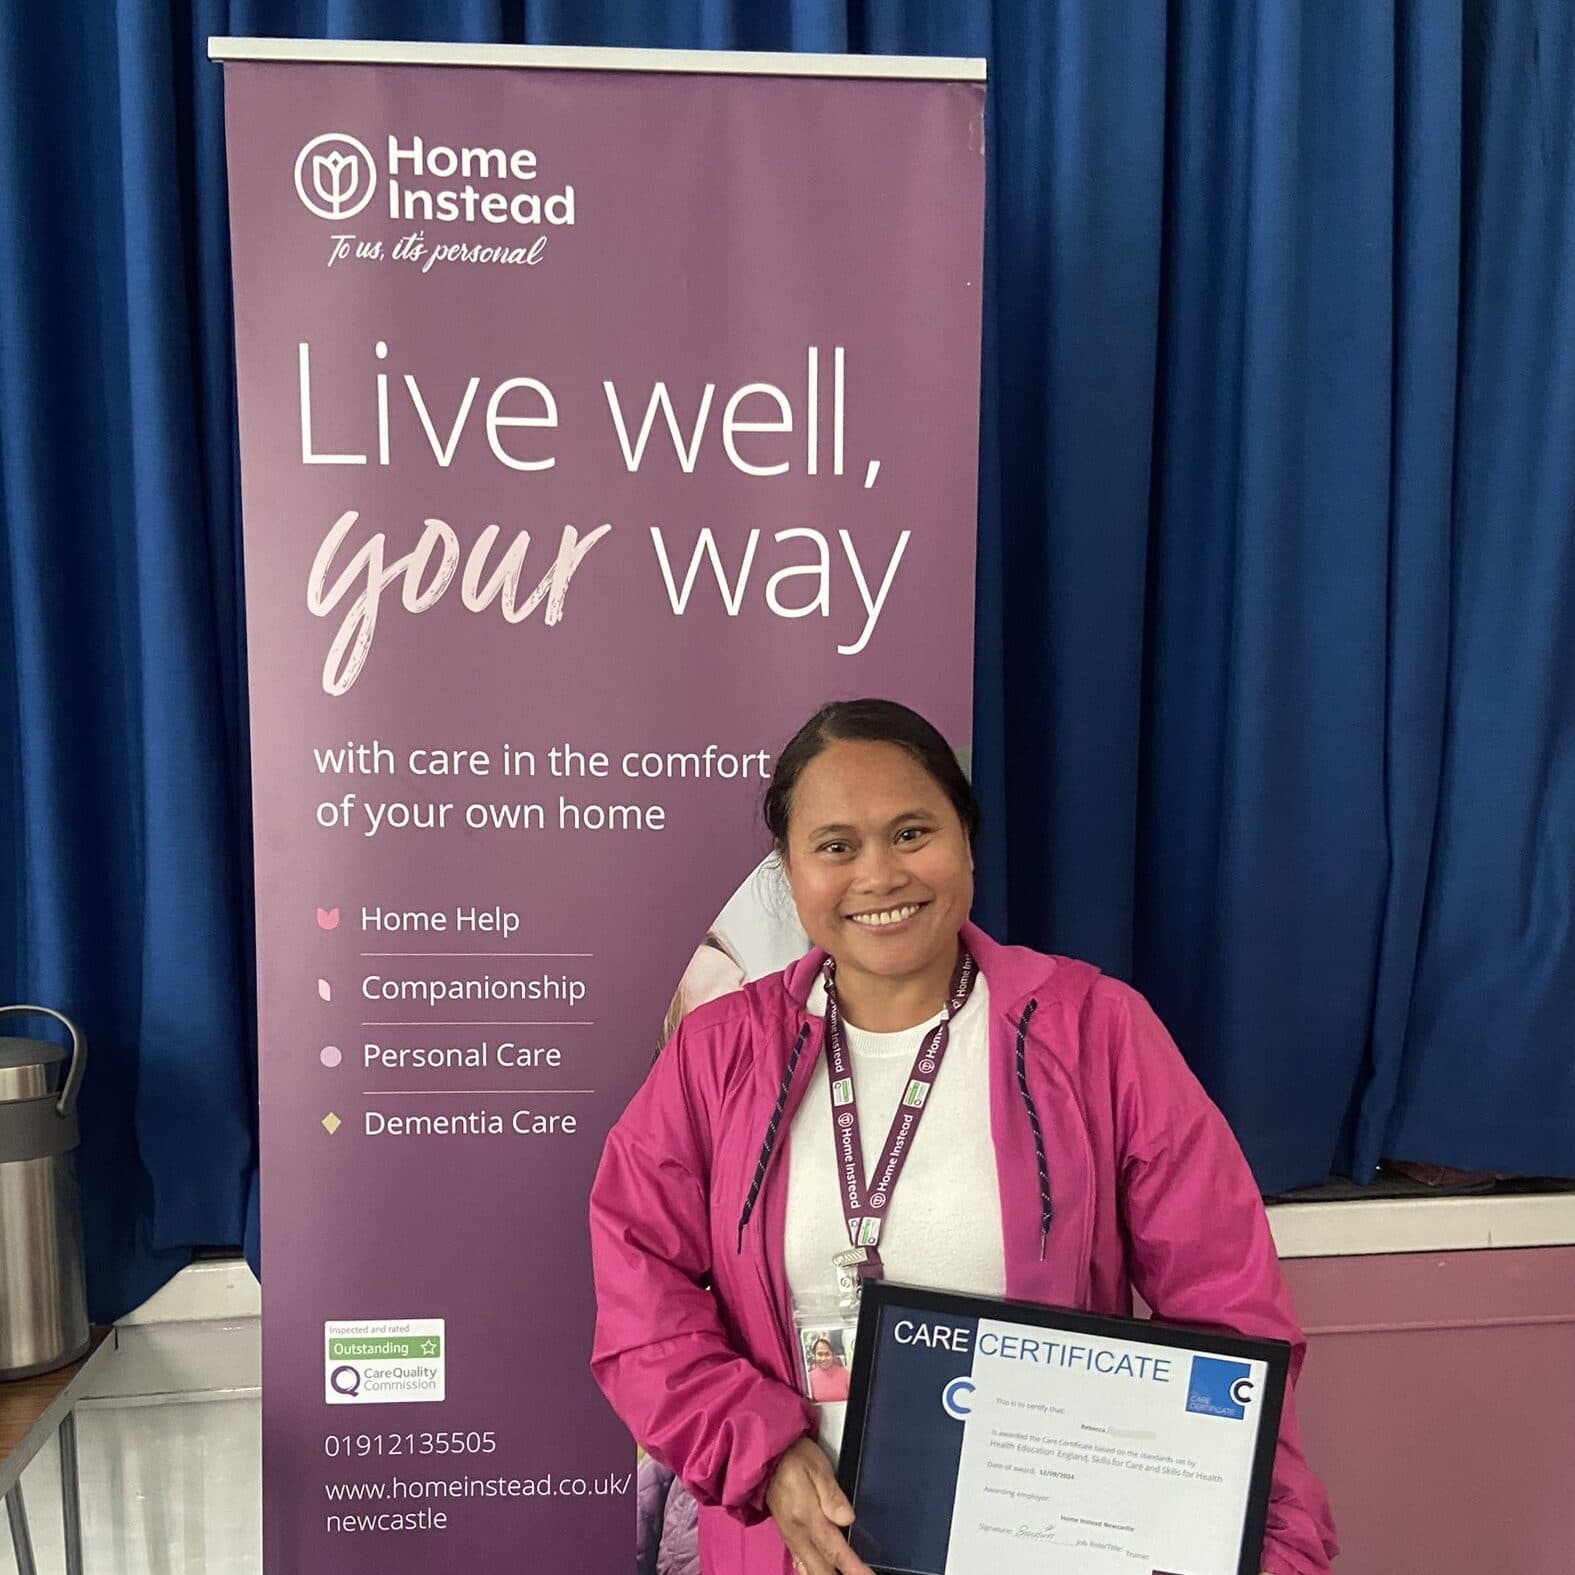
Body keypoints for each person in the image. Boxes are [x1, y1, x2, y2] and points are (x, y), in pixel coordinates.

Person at [591, 699, 1339, 1575]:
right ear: (789, 877)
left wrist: (1252, 1533)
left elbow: (1229, 1311)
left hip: (1048, 1546)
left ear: (965, 841)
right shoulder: (716, 1055)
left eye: (911, 832)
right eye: (835, 846)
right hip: (791, 1546)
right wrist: (764, 1455)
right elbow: (641, 1299)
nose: (878, 875)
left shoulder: (1095, 1033)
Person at [804, 1337, 851, 1405]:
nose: (823, 1358)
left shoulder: (845, 1374)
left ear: (833, 1355)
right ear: (814, 1355)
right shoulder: (810, 1378)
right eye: (820, 1354)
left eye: (827, 1354)